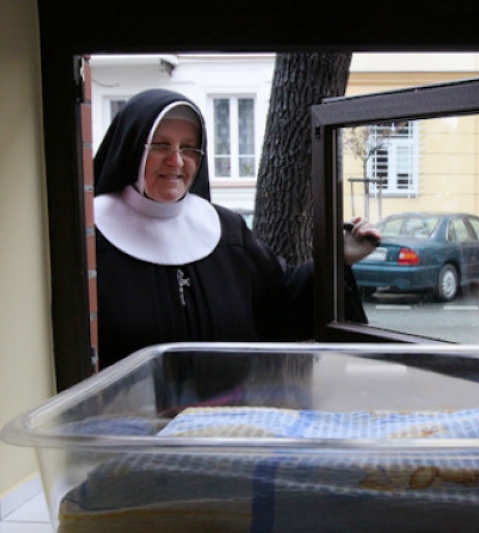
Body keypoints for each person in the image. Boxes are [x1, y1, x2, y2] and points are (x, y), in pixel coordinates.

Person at [93, 89, 380, 369]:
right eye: (160, 146)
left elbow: (281, 303)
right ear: (131, 149)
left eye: (188, 147)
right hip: (130, 415)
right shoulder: (92, 238)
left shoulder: (226, 231)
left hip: (229, 414)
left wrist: (336, 259)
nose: (176, 161)